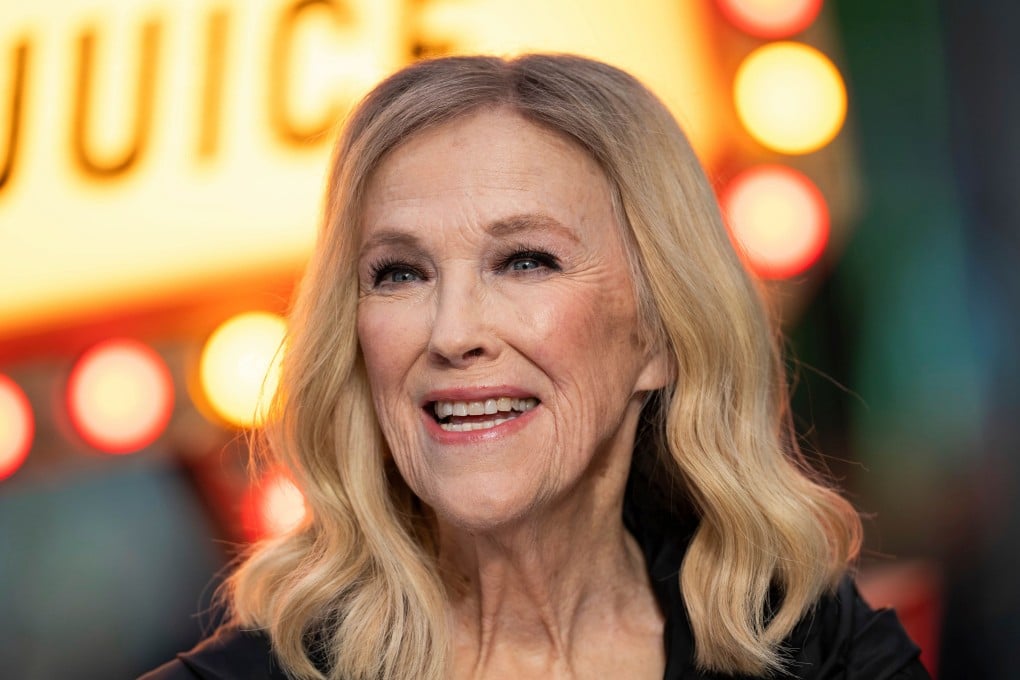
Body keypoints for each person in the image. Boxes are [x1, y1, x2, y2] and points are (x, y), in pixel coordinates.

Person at [142, 54, 928, 679]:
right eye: (399, 273)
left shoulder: (816, 651)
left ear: (659, 337)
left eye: (525, 261)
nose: (452, 333)